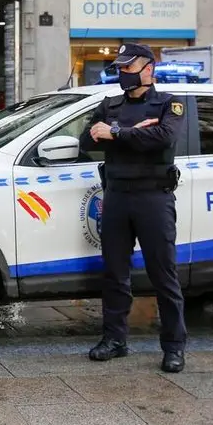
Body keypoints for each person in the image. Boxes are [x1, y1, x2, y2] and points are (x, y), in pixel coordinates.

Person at [78, 42, 187, 373]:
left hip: (153, 198)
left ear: (148, 69)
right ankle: (114, 340)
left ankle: (174, 347)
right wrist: (131, 133)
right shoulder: (109, 104)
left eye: (129, 67)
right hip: (117, 198)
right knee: (114, 273)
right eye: (121, 68)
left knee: (163, 275)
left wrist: (115, 133)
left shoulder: (169, 104)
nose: (123, 73)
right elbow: (86, 141)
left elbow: (163, 138)